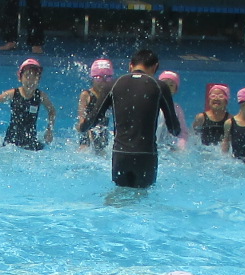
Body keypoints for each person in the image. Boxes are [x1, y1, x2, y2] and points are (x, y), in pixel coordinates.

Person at [77, 47, 180, 189]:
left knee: (118, 198)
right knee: (142, 200)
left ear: (130, 65)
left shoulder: (113, 85)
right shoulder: (159, 86)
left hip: (120, 155)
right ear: (155, 67)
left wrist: (82, 126)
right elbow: (174, 128)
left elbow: (92, 121)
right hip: (146, 155)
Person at [0, 59, 56, 150]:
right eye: (27, 76)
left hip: (30, 139)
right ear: (20, 77)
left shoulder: (40, 96)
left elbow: (52, 111)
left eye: (34, 77)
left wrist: (49, 130)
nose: (30, 81)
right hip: (12, 139)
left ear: (39, 79)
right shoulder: (13, 93)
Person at [78, 58, 115, 150]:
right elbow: (81, 121)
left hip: (103, 136)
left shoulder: (111, 96)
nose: (103, 82)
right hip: (87, 136)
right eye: (99, 78)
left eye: (108, 78)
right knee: (84, 150)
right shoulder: (86, 95)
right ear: (93, 78)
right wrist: (87, 132)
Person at [192, 84, 232, 149]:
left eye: (221, 96)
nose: (216, 98)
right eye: (213, 96)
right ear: (209, 100)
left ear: (226, 101)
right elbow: (192, 136)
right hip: (204, 152)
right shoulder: (201, 117)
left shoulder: (230, 119)